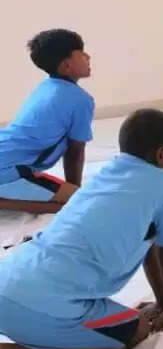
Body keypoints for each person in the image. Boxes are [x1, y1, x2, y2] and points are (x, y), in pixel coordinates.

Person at [0, 108, 163, 349]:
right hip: (41, 305)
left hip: (8, 283)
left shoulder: (106, 174)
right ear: (161, 154)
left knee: (62, 316)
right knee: (135, 329)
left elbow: (150, 246)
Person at [0, 30, 94, 215]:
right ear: (66, 66)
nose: (88, 56)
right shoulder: (81, 100)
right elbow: (75, 151)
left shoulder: (45, 87)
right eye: (81, 53)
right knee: (82, 204)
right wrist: (73, 190)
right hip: (7, 169)